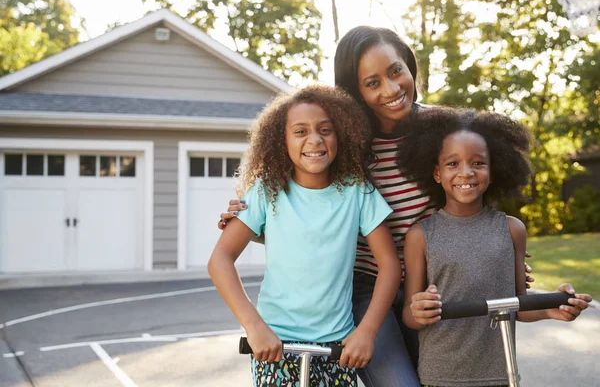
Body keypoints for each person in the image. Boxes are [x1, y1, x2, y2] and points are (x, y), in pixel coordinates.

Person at [218, 26, 535, 387]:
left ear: (409, 65)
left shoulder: (445, 132)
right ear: (356, 91)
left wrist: (499, 259)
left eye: (396, 71)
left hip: (438, 285)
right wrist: (253, 224)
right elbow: (310, 213)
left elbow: (474, 202)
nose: (391, 89)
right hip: (368, 290)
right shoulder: (346, 142)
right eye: (372, 83)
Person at [208, 84, 404, 387]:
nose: (315, 139)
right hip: (275, 345)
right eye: (300, 132)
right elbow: (220, 260)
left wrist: (366, 332)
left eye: (325, 130)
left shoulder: (358, 191)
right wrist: (254, 326)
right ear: (281, 141)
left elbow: (389, 264)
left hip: (338, 347)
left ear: (341, 135)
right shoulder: (266, 192)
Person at [399, 106, 593, 387]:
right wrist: (418, 310)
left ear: (494, 169)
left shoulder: (512, 230)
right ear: (437, 173)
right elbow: (409, 314)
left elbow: (520, 305)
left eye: (477, 163)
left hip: (502, 374)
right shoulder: (420, 235)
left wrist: (553, 307)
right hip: (440, 375)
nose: (465, 172)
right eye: (452, 164)